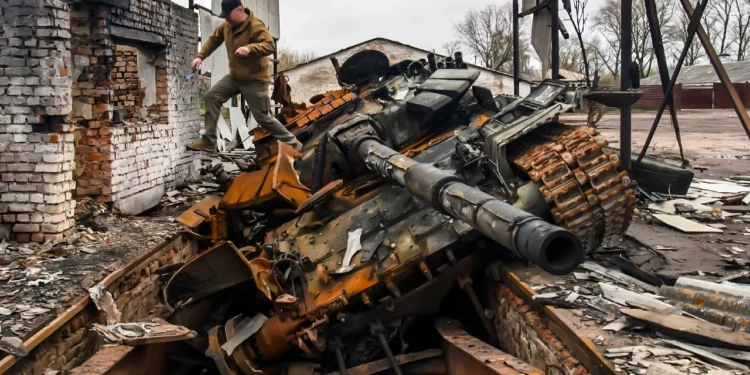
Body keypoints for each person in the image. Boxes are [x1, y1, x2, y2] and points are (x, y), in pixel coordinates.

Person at [187, 0, 302, 153]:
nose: (227, 19)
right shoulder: (227, 26)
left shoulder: (255, 25)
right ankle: (209, 141)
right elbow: (214, 40)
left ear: (240, 10)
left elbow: (269, 45)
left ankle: (296, 145)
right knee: (211, 96)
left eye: (229, 15)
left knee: (263, 118)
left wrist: (250, 48)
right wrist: (200, 57)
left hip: (255, 80)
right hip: (235, 78)